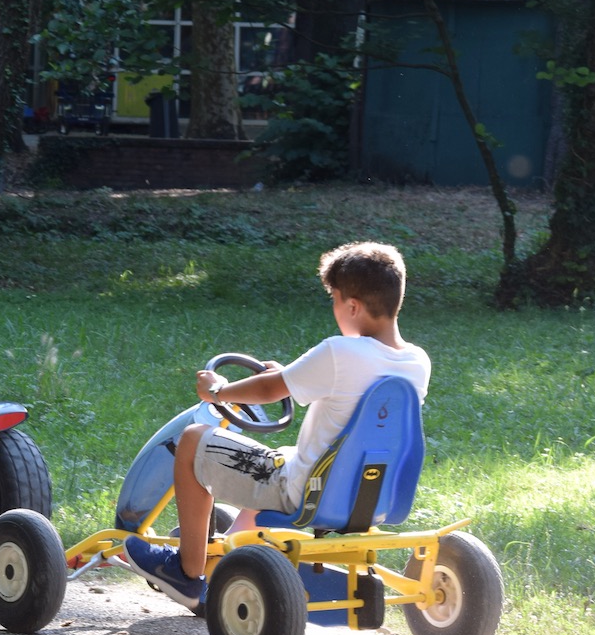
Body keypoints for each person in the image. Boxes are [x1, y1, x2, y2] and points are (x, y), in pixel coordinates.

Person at [123, 241, 431, 610]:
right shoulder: (417, 361)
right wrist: (287, 374)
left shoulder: (339, 351)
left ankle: (187, 571)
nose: (334, 308)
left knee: (193, 441)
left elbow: (269, 389)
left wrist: (218, 391)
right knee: (281, 455)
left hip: (304, 491)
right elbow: (333, 384)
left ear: (352, 306)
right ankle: (232, 554)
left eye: (334, 299)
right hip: (374, 495)